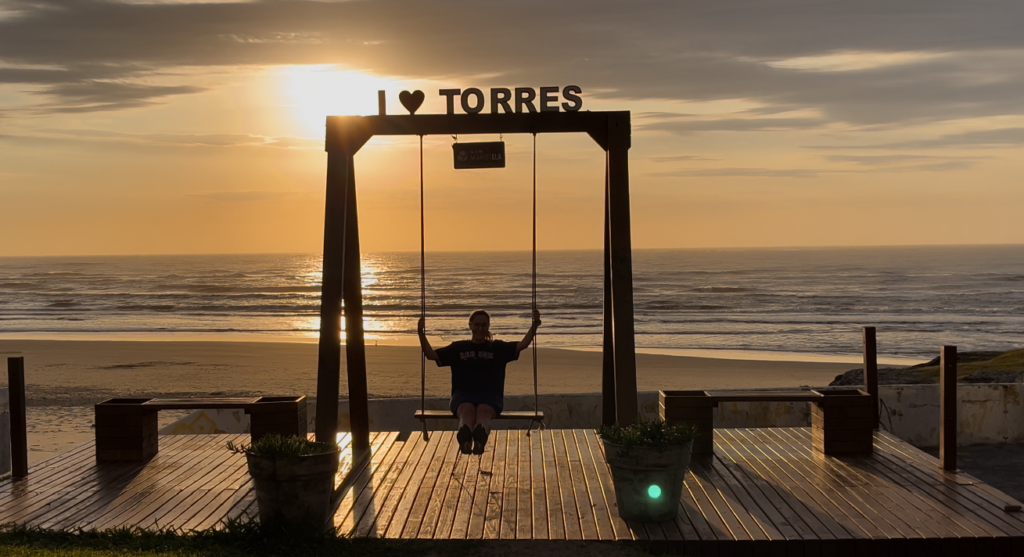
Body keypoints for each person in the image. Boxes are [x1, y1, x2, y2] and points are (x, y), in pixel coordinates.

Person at [418, 308, 540, 455]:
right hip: (463, 394)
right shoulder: (458, 348)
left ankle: (480, 438)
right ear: (470, 325)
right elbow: (431, 355)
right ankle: (465, 435)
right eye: (477, 325)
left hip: (491, 395)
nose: (480, 329)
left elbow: (522, 345)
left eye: (484, 325)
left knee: (484, 412)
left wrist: (534, 326)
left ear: (488, 326)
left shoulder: (497, 348)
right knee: (465, 410)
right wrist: (420, 333)